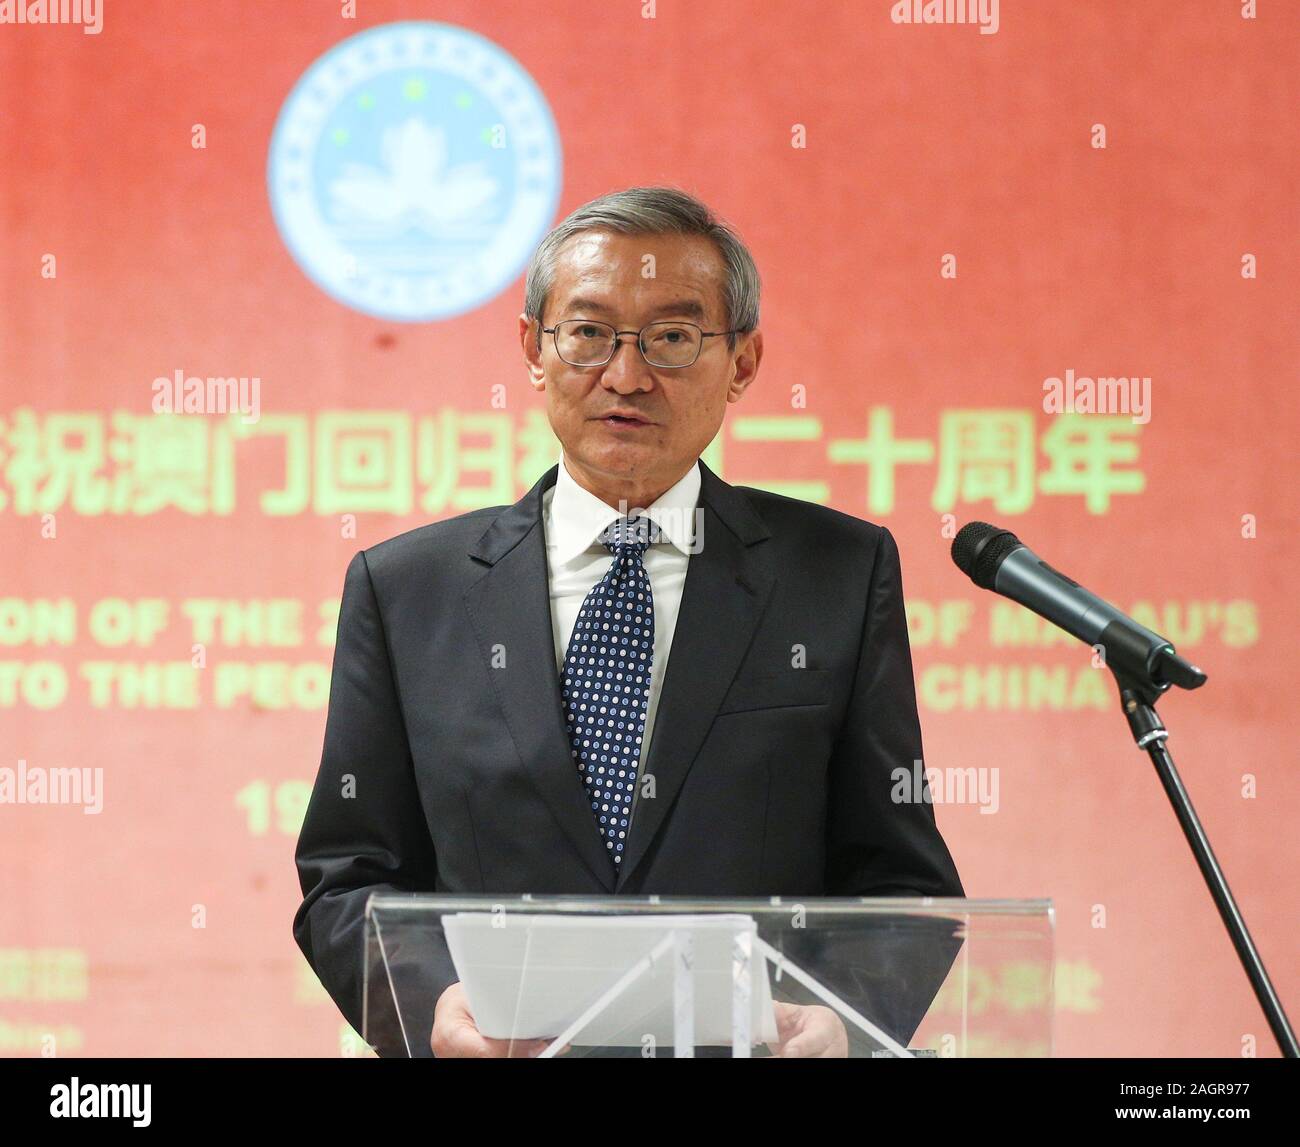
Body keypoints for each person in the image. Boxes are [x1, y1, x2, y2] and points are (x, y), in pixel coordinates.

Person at [293, 186, 964, 1058]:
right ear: (534, 349)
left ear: (744, 362)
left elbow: (901, 879)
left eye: (674, 338)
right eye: (589, 333)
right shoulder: (407, 589)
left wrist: (840, 1019)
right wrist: (435, 1007)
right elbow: (347, 880)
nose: (626, 374)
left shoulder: (835, 573)